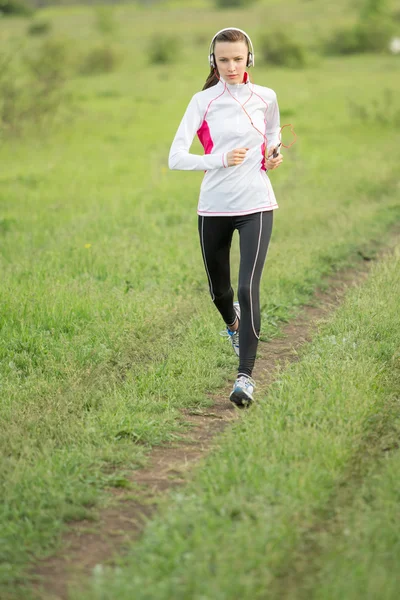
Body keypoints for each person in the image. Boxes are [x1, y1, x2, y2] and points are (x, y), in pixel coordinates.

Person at [168, 27, 283, 407]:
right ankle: (233, 323)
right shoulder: (203, 101)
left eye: (237, 59)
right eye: (223, 60)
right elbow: (176, 157)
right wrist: (218, 159)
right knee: (220, 292)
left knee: (249, 288)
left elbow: (271, 132)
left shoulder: (266, 96)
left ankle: (245, 377)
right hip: (214, 206)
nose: (231, 66)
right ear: (212, 61)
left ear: (249, 58)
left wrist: (274, 153)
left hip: (257, 204)